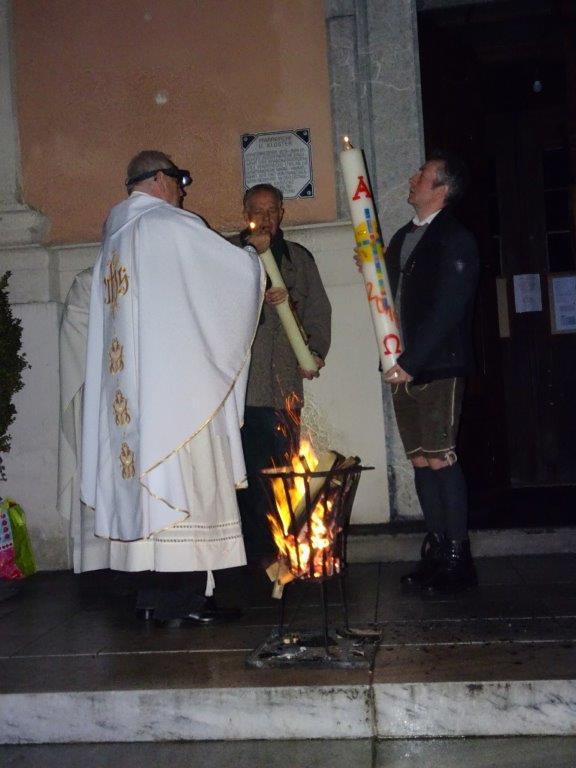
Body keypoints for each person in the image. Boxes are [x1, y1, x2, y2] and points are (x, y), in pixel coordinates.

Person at [81, 150, 268, 623]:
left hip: (133, 401)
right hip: (177, 398)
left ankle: (155, 598)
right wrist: (254, 258)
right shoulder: (168, 225)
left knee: (148, 500)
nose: (183, 192)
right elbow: (230, 279)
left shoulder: (114, 240)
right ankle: (181, 602)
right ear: (161, 179)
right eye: (180, 181)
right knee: (184, 490)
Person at [382, 151, 479, 594]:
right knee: (420, 459)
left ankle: (459, 559)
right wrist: (372, 270)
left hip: (436, 365)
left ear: (441, 188)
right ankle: (437, 550)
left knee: (440, 457)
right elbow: (391, 296)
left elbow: (448, 309)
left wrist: (411, 362)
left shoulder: (455, 238)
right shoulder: (403, 236)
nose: (412, 178)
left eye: (421, 175)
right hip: (402, 365)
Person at [229, 184, 331, 566]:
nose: (266, 218)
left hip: (285, 386)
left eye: (272, 210)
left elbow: (318, 311)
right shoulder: (228, 255)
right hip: (243, 389)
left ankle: (286, 548)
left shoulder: (298, 259)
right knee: (248, 476)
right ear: (246, 214)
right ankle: (254, 554)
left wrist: (314, 353)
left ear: (282, 214)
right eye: (257, 211)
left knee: (284, 471)